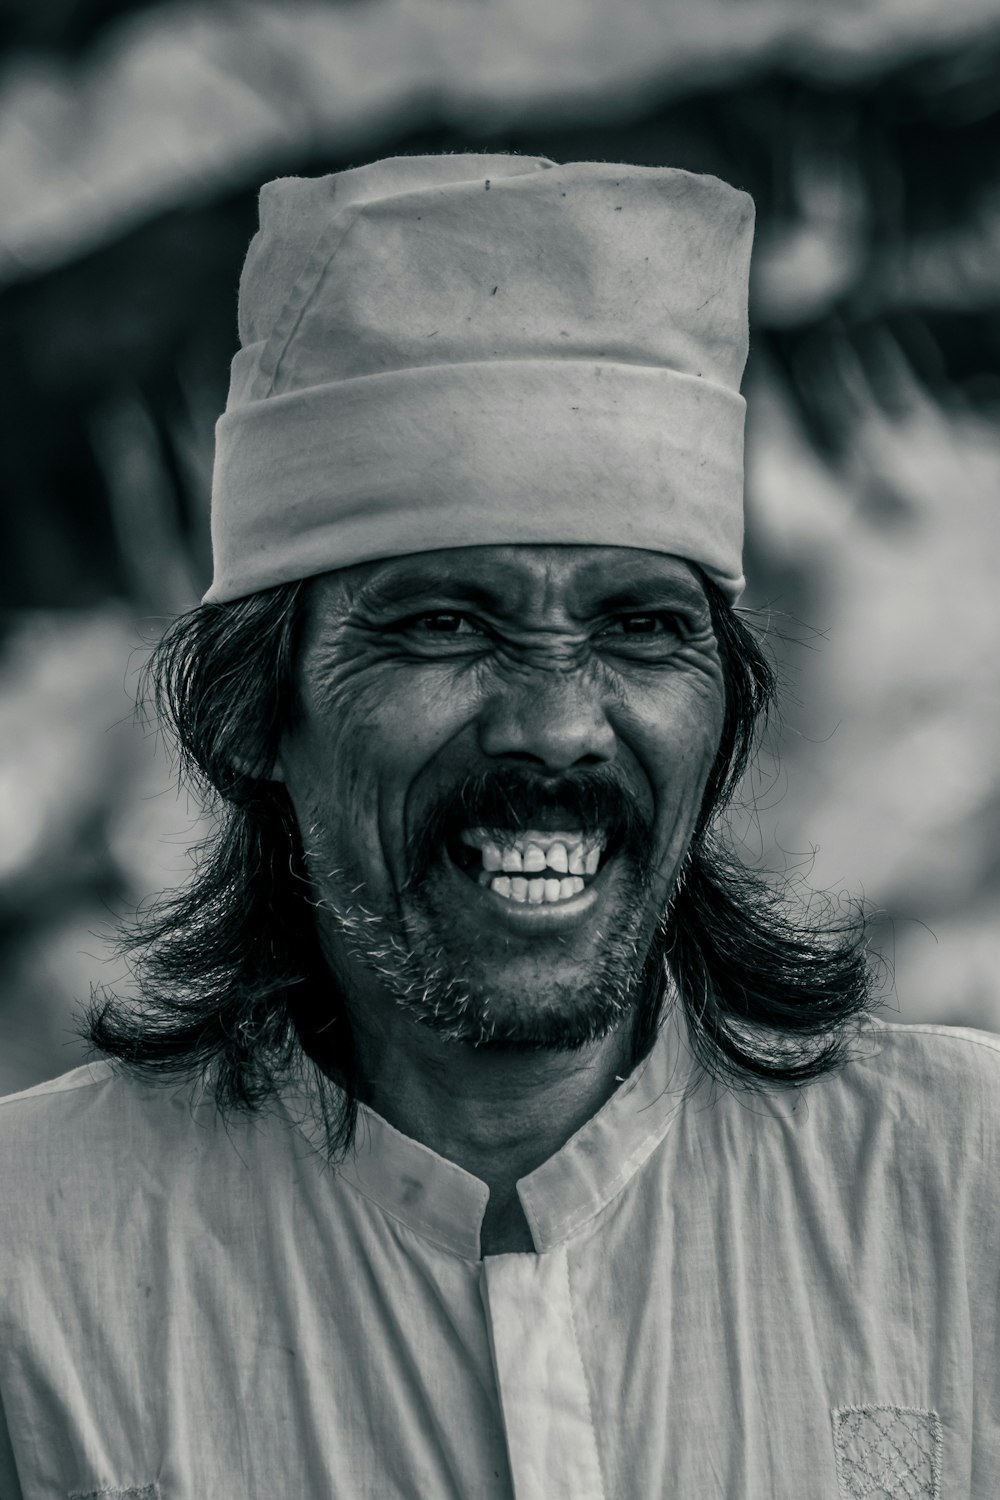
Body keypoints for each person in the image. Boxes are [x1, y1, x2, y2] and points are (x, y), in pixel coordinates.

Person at [0, 154, 996, 1500]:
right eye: (444, 623)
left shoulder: (963, 1188)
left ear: (725, 722)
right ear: (253, 717)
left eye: (641, 628)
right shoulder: (33, 1260)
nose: (557, 723)